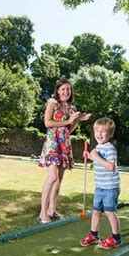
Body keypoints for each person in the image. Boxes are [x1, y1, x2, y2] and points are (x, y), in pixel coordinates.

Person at [38, 79, 91, 224]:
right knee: (52, 177)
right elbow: (48, 123)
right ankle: (42, 212)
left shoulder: (71, 108)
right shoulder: (52, 103)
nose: (66, 92)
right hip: (53, 143)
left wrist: (78, 120)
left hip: (65, 143)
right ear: (57, 90)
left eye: (68, 89)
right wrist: (68, 121)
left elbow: (69, 130)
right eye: (63, 89)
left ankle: (52, 210)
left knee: (59, 180)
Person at [80, 117, 122, 250]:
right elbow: (97, 160)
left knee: (110, 212)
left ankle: (116, 238)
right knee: (96, 211)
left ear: (110, 134)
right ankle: (94, 235)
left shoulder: (110, 149)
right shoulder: (98, 147)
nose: (99, 133)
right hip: (100, 186)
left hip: (110, 187)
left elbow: (111, 167)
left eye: (103, 131)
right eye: (96, 130)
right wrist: (90, 156)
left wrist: (96, 156)